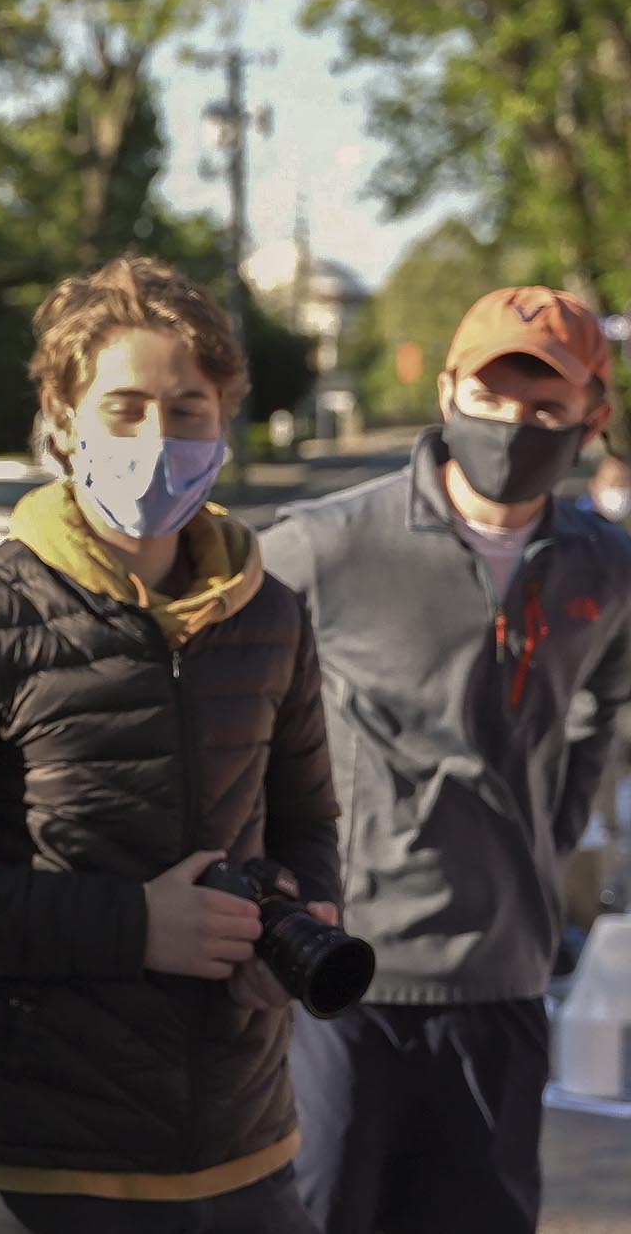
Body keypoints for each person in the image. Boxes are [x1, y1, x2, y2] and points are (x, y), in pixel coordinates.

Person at [0, 255, 343, 1234]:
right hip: (39, 1175)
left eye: (186, 408)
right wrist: (135, 926)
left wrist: (298, 909)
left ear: (221, 420)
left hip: (249, 1156)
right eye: (122, 408)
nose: (157, 437)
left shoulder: (268, 614)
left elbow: (308, 817)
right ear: (60, 420)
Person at [260, 285, 631, 1234]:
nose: (515, 422)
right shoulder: (325, 546)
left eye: (548, 405)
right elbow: (229, 702)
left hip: (502, 976)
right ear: (447, 390)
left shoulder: (606, 566)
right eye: (493, 394)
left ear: (594, 419)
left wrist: (549, 830)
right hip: (345, 979)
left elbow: (606, 708)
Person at [580, 450, 631, 523]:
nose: (619, 488)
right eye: (612, 483)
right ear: (592, 485)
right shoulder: (574, 521)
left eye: (623, 483)